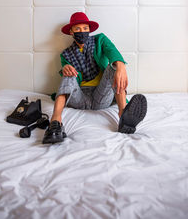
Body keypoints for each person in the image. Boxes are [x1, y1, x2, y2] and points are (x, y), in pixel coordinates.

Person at [42, 12, 147, 144]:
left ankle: (123, 115)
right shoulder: (66, 54)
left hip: (100, 96)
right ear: (71, 32)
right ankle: (55, 123)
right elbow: (69, 81)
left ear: (89, 30)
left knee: (113, 67)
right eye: (78, 29)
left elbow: (111, 50)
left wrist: (120, 66)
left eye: (85, 28)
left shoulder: (100, 40)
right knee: (67, 73)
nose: (82, 31)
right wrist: (65, 68)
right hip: (79, 98)